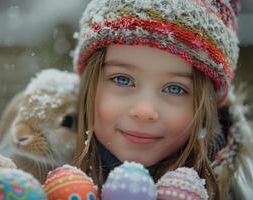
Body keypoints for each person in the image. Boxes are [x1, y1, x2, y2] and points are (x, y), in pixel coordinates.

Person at [71, 0, 252, 199]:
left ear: (209, 105)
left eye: (175, 89)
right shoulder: (40, 181)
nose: (144, 111)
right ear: (90, 83)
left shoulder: (236, 192)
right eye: (122, 79)